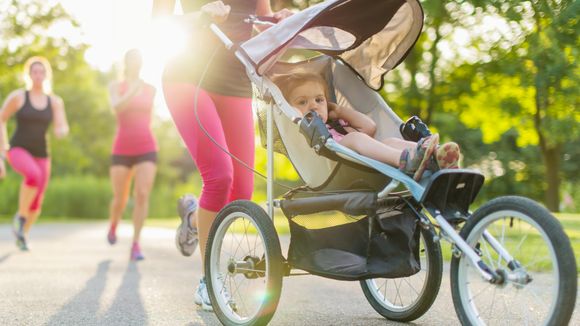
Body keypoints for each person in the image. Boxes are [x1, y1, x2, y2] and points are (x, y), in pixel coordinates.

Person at [151, 0, 292, 311]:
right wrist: (200, 16)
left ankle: (192, 215)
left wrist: (281, 24)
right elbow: (158, 22)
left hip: (235, 80)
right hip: (188, 73)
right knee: (219, 176)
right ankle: (208, 282)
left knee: (241, 191)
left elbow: (263, 31)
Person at [273, 72, 460, 179]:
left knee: (390, 141)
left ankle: (436, 156)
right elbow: (357, 138)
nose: (313, 105)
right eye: (302, 102)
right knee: (355, 137)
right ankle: (405, 160)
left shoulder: (337, 124)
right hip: (335, 165)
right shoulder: (304, 132)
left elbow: (370, 128)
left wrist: (338, 111)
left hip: (361, 160)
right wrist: (295, 114)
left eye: (319, 100)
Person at [0, 56, 69, 251]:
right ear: (29, 75)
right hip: (17, 149)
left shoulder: (55, 101)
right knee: (33, 175)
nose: (38, 75)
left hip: (42, 154)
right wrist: (1, 153)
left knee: (37, 203)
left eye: (42, 72)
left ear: (46, 75)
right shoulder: (19, 96)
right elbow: (1, 119)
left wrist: (62, 130)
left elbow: (61, 125)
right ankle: (20, 218)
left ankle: (23, 234)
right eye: (34, 72)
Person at [106, 49, 158, 261]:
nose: (136, 62)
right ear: (126, 62)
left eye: (139, 58)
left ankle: (136, 243)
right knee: (120, 198)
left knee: (142, 194)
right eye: (132, 58)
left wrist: (139, 89)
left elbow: (150, 116)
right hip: (121, 148)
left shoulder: (150, 88)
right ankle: (114, 224)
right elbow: (116, 107)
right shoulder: (115, 87)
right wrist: (132, 90)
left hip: (146, 145)